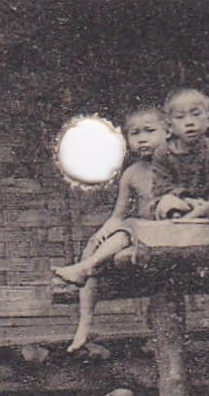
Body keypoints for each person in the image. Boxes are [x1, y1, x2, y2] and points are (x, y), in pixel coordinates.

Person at [53, 106, 169, 352]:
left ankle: (87, 266)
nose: (142, 139)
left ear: (167, 131)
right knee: (93, 247)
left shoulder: (175, 166)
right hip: (136, 231)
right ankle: (85, 323)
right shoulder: (132, 174)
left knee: (129, 230)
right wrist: (100, 235)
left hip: (163, 232)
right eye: (135, 134)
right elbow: (118, 216)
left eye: (150, 131)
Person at [151, 89, 209, 220]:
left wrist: (208, 204)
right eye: (180, 117)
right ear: (170, 126)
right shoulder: (163, 153)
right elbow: (162, 187)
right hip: (180, 203)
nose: (189, 122)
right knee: (166, 202)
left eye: (196, 114)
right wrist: (187, 200)